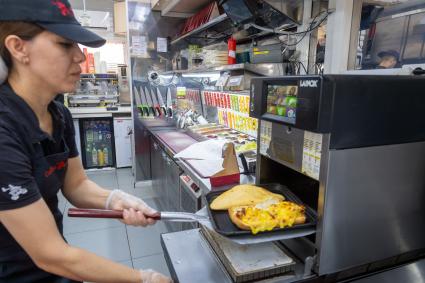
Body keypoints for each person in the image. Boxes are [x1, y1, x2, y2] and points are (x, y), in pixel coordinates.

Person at [0, 1, 172, 282]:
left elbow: (76, 185)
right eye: (65, 44)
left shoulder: (58, 114)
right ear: (18, 47)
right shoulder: (4, 131)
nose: (80, 57)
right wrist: (143, 279)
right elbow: (50, 254)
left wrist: (115, 199)